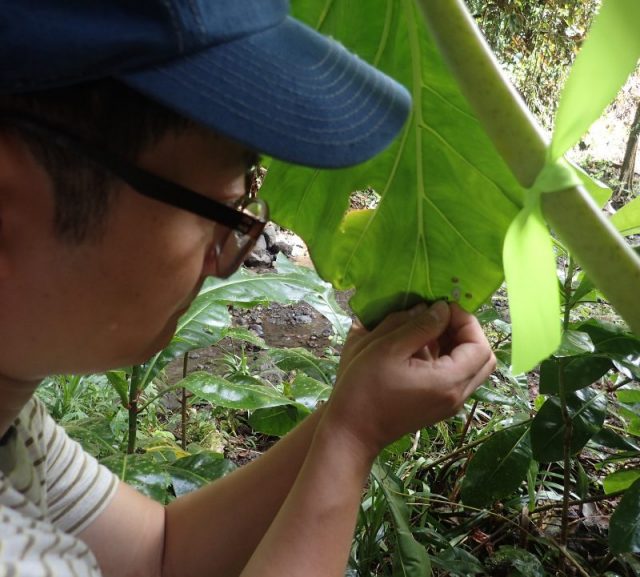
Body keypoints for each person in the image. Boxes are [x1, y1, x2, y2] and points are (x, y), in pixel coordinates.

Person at [0, 1, 496, 576]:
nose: (226, 262)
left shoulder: (13, 425)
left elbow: (159, 555)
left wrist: (347, 412)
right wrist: (353, 439)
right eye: (221, 211)